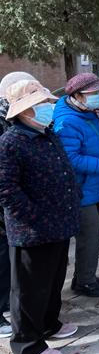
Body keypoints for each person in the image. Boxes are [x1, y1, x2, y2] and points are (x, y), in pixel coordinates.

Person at [0, 80, 82, 354]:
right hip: (32, 231)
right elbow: (5, 189)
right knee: (28, 290)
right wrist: (35, 217)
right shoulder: (11, 142)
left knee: (52, 282)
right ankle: (28, 346)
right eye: (42, 103)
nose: (48, 107)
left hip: (58, 226)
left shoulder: (46, 133)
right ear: (24, 110)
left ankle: (48, 324)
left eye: (47, 102)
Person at [52, 74, 99, 298]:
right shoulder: (68, 121)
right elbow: (70, 159)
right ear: (77, 96)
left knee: (91, 236)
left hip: (93, 185)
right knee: (89, 237)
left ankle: (83, 276)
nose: (98, 96)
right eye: (93, 93)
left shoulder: (91, 113)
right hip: (79, 190)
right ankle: (85, 283)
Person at [0, 72, 36, 339]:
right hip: (8, 210)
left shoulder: (20, 120)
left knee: (12, 265)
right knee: (2, 262)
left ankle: (11, 307)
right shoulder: (6, 128)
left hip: (16, 209)